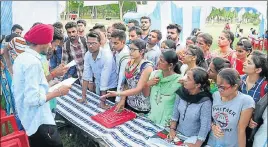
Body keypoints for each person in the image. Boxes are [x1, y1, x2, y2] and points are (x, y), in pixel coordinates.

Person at [12, 24, 72, 147]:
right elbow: (33, 99)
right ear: (42, 42)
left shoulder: (22, 57)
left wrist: (53, 75)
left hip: (29, 117)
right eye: (50, 42)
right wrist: (58, 92)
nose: (51, 46)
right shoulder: (33, 63)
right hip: (38, 120)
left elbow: (33, 85)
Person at [101, 39, 153, 114]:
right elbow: (126, 84)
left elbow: (138, 89)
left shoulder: (147, 66)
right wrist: (122, 100)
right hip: (129, 103)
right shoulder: (129, 63)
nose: (130, 52)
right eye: (130, 49)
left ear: (141, 51)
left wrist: (117, 93)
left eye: (133, 49)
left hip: (141, 107)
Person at [207, 68, 255, 147]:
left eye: (223, 87)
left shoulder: (246, 101)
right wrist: (213, 127)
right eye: (217, 86)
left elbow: (241, 130)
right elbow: (208, 118)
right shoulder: (215, 95)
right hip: (212, 142)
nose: (219, 90)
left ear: (235, 86)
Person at [168, 67, 212, 147]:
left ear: (198, 85)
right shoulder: (181, 92)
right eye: (186, 76)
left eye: (188, 78)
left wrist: (197, 144)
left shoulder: (205, 101)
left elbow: (205, 126)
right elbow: (175, 113)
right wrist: (172, 129)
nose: (184, 79)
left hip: (194, 139)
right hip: (178, 133)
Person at [78, 31, 117, 109]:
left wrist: (102, 103)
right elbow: (86, 75)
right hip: (99, 85)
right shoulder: (88, 55)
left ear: (100, 43)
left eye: (94, 43)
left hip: (111, 87)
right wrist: (83, 96)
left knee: (109, 110)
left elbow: (104, 79)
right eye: (88, 43)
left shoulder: (107, 56)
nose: (90, 46)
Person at [144, 49, 182, 126]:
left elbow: (179, 107)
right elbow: (146, 95)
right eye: (159, 59)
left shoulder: (179, 81)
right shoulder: (154, 74)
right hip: (151, 118)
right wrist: (147, 84)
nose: (158, 62)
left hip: (166, 124)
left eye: (162, 61)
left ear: (170, 65)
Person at [110, 29, 130, 102]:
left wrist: (118, 98)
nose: (113, 45)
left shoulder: (125, 57)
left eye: (116, 43)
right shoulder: (118, 51)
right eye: (112, 43)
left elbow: (122, 79)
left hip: (125, 88)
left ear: (123, 42)